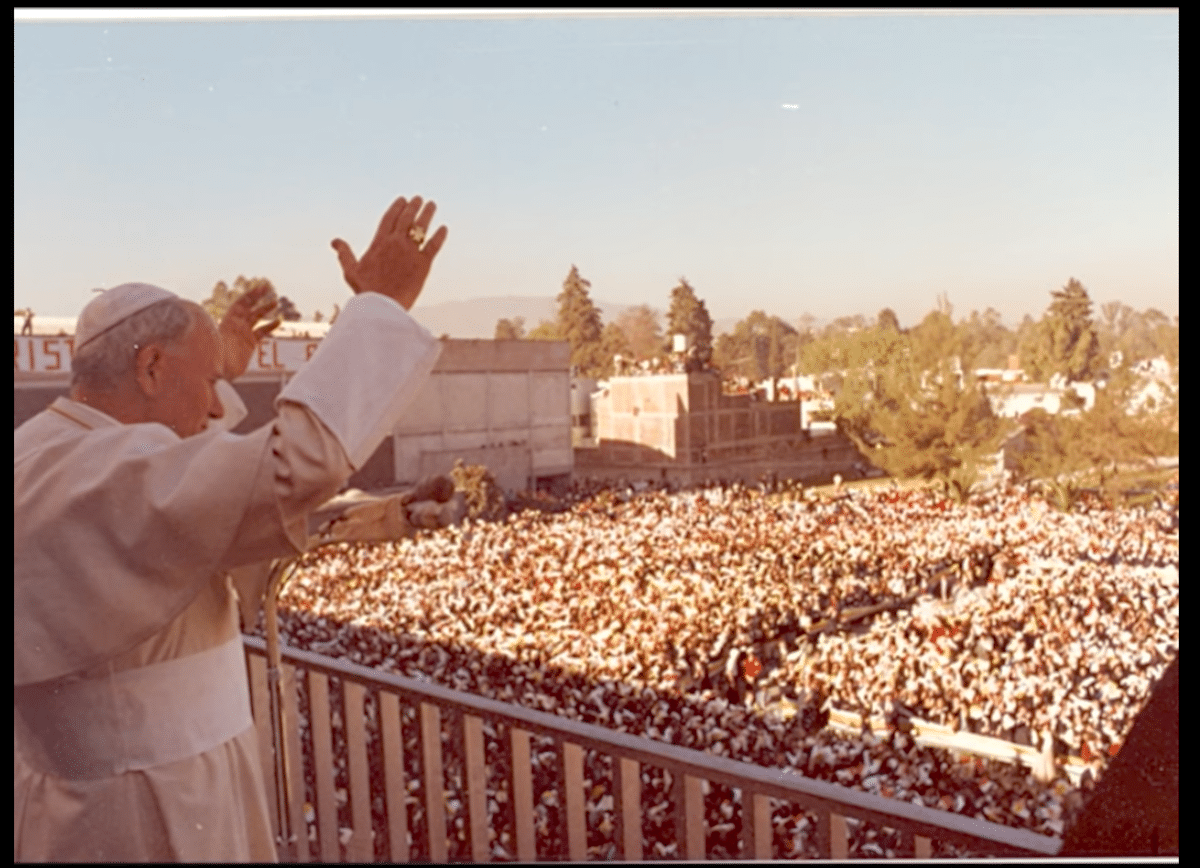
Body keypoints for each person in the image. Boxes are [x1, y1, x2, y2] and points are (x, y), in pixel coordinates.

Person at [14, 194, 449, 861]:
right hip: (143, 808)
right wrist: (380, 309)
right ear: (151, 367)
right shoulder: (97, 472)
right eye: (208, 380)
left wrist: (216, 371)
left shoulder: (50, 452)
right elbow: (298, 463)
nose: (219, 404)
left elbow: (183, 492)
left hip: (141, 788)